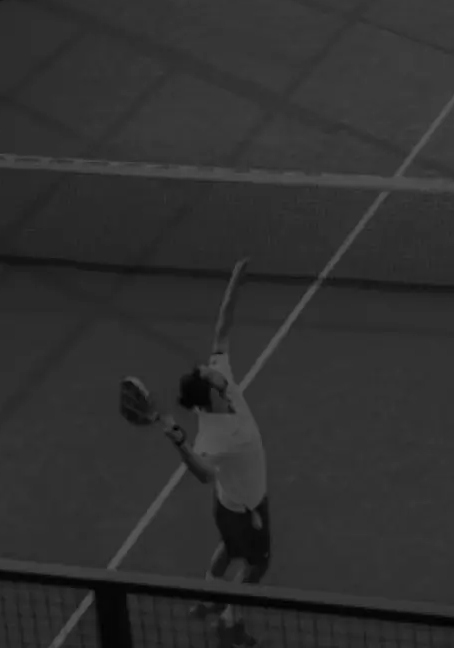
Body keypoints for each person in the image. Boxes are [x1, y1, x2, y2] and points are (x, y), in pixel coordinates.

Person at [161, 272, 269, 648]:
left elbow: (223, 326)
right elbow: (204, 474)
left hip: (228, 507)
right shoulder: (213, 436)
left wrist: (236, 281)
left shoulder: (221, 377)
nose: (208, 368)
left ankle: (209, 595)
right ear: (207, 395)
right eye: (204, 374)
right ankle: (229, 620)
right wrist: (181, 444)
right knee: (257, 564)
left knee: (229, 548)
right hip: (246, 507)